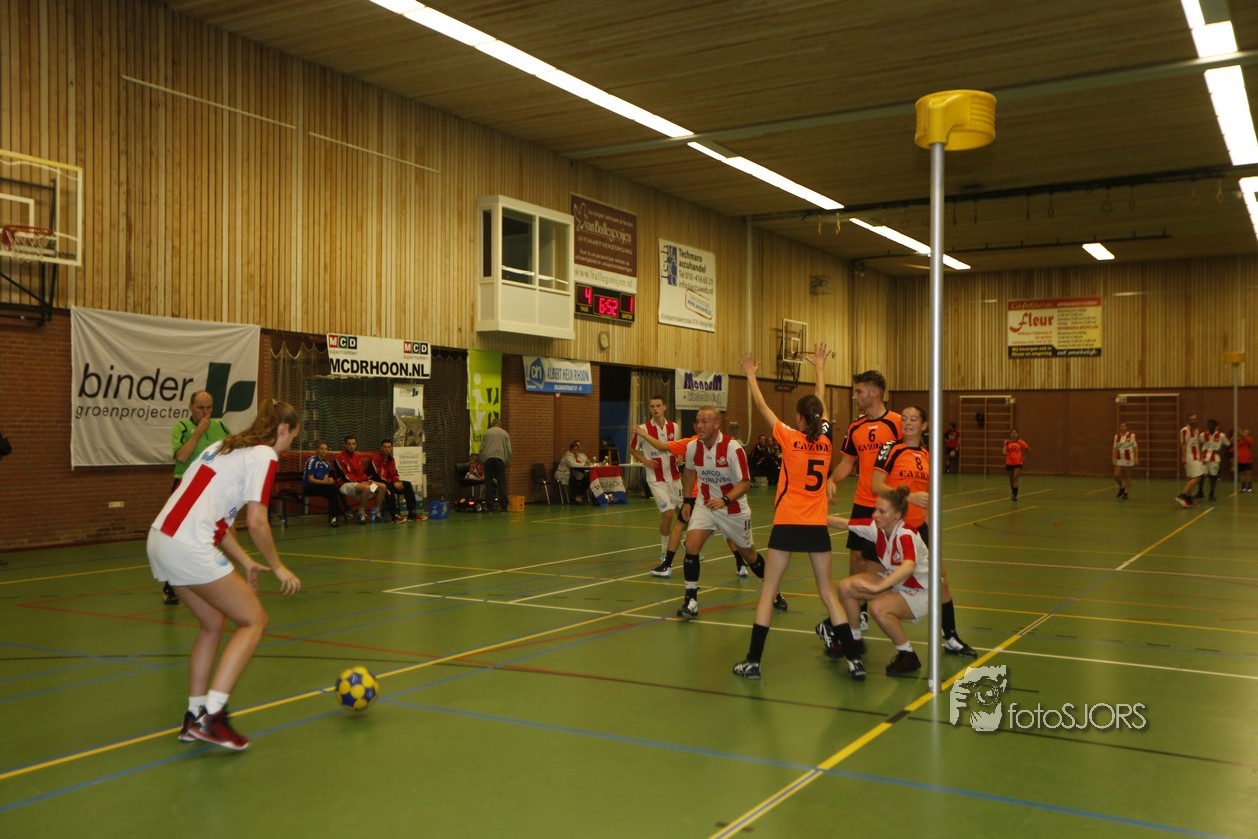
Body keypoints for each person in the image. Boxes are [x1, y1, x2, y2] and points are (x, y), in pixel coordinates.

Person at [147, 399, 303, 750]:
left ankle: (194, 716)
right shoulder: (263, 455)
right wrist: (277, 566)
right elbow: (257, 521)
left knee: (213, 623)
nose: (290, 443)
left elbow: (218, 520)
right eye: (292, 436)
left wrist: (246, 562)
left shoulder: (225, 447)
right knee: (254, 620)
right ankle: (213, 717)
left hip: (161, 539)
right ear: (283, 429)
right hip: (187, 544)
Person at [732, 344, 847, 679]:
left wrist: (751, 375)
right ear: (819, 419)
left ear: (798, 418)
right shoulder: (826, 442)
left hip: (787, 522)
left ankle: (754, 661)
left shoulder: (788, 437)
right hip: (816, 525)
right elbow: (821, 405)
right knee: (828, 593)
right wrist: (820, 368)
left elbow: (762, 406)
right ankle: (853, 657)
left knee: (768, 591)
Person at [636, 406, 776, 619]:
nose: (699, 426)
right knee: (692, 545)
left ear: (717, 424)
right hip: (705, 504)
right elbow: (689, 471)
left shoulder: (732, 448)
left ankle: (773, 592)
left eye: (704, 422)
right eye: (697, 422)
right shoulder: (693, 447)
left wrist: (725, 500)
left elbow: (745, 483)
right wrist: (687, 501)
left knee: (749, 554)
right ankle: (690, 601)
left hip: (733, 507)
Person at [865, 405, 976, 658]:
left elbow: (929, 498)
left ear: (924, 425)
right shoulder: (891, 449)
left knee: (942, 579)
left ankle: (950, 636)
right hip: (892, 529)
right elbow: (876, 485)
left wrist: (932, 529)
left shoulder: (927, 455)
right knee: (871, 582)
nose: (907, 423)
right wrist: (908, 497)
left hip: (918, 530)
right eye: (904, 419)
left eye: (913, 419)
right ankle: (846, 629)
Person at [826, 486, 931, 679]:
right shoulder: (877, 528)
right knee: (846, 587)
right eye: (876, 509)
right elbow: (843, 524)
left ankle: (908, 655)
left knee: (878, 608)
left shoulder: (906, 534)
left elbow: (908, 566)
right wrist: (811, 517)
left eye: (882, 511)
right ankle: (854, 641)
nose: (875, 514)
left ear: (897, 515)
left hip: (922, 591)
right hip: (897, 583)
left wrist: (877, 587)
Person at [827, 370, 902, 630]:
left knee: (879, 563)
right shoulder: (855, 427)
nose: (854, 396)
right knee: (856, 559)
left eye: (859, 391)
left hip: (887, 504)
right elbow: (847, 463)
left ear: (875, 393)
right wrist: (832, 480)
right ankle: (858, 614)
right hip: (862, 502)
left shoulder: (897, 423)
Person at [166, 391, 232, 606]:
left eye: (209, 408)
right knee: (178, 538)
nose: (205, 412)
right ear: (190, 407)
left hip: (212, 489)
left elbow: (232, 452)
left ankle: (213, 582)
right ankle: (171, 585)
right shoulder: (182, 428)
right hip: (185, 487)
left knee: (215, 535)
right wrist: (198, 432)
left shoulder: (221, 428)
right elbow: (182, 456)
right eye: (200, 408)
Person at [629, 396, 683, 566]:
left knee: (683, 513)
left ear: (664, 407)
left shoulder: (674, 426)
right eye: (652, 406)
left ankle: (688, 543)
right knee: (667, 514)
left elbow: (678, 446)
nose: (655, 409)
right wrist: (644, 460)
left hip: (674, 477)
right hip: (656, 478)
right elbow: (632, 449)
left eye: (658, 405)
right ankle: (665, 550)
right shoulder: (643, 429)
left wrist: (680, 457)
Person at [336, 435, 386, 524]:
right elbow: (344, 476)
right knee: (366, 488)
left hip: (359, 484)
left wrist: (366, 480)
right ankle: (361, 515)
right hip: (345, 485)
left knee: (382, 487)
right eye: (349, 444)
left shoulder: (356, 457)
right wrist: (361, 482)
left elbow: (360, 473)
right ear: (345, 445)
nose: (351, 446)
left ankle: (376, 514)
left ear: (356, 445)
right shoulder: (339, 457)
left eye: (353, 444)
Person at [372, 439, 425, 521]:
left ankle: (411, 513)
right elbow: (376, 476)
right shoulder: (376, 458)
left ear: (391, 448)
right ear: (381, 448)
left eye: (389, 447)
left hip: (389, 483)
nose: (387, 449)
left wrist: (397, 481)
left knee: (407, 485)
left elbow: (394, 473)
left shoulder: (391, 459)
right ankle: (395, 515)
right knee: (388, 488)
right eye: (385, 447)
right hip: (375, 484)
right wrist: (393, 483)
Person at [303, 440, 349, 527]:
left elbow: (325, 479)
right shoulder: (312, 461)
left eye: (325, 449)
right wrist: (325, 482)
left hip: (321, 487)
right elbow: (310, 479)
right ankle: (345, 509)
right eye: (321, 449)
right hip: (309, 487)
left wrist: (328, 480)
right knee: (333, 488)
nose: (324, 451)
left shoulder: (327, 464)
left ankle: (334, 518)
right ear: (317, 450)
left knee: (332, 493)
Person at [480, 418, 512, 511]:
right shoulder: (505, 433)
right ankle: (504, 506)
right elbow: (509, 450)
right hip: (500, 459)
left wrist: (482, 460)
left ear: (492, 424)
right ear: (500, 424)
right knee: (501, 483)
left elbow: (481, 448)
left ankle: (489, 506)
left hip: (488, 459)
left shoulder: (486, 433)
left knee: (488, 483)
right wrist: (507, 462)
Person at [1176, 413, 1204, 508]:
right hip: (1190, 457)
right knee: (1197, 478)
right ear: (1188, 421)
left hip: (1196, 456)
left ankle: (1188, 499)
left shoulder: (1196, 430)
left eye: (1195, 419)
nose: (1193, 421)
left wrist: (1201, 455)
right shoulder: (1184, 431)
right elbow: (1183, 445)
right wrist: (1183, 457)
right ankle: (1182, 496)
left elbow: (1197, 444)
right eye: (1191, 419)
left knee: (1190, 479)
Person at [1200, 420, 1231, 502]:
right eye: (1208, 425)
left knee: (1213, 476)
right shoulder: (1203, 435)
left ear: (1215, 426)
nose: (1210, 427)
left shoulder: (1221, 435)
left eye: (1212, 425)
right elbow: (1198, 444)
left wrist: (1221, 452)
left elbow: (1228, 444)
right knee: (1201, 475)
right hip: (1204, 457)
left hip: (1215, 458)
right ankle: (1200, 491)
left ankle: (1212, 493)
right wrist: (1200, 454)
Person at [1112, 421, 1138, 500]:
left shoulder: (1132, 435)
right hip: (1119, 458)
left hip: (1129, 458)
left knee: (1128, 476)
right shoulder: (1117, 436)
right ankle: (1121, 487)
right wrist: (1113, 457)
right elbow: (1114, 448)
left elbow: (1135, 447)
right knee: (1116, 475)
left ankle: (1126, 492)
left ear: (1127, 427)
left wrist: (1136, 457)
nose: (1122, 428)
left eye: (1124, 426)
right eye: (1121, 426)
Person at [1003, 429, 1029, 501]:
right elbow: (1004, 452)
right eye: (1012, 433)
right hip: (1009, 463)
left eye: (1015, 433)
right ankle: (1013, 492)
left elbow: (1029, 450)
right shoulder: (1008, 442)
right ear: (1010, 434)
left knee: (1015, 478)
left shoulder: (1020, 442)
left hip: (1018, 463)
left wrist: (1024, 458)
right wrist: (1005, 446)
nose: (1013, 434)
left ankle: (1015, 495)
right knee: (1011, 480)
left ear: (1017, 434)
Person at [1235, 427, 1253, 492]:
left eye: (1246, 432)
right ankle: (1243, 487)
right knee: (1241, 473)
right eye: (1244, 432)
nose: (1245, 433)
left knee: (1248, 473)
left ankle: (1249, 487)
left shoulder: (1250, 439)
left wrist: (1240, 432)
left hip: (1247, 459)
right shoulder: (1239, 440)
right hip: (1240, 459)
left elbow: (1246, 440)